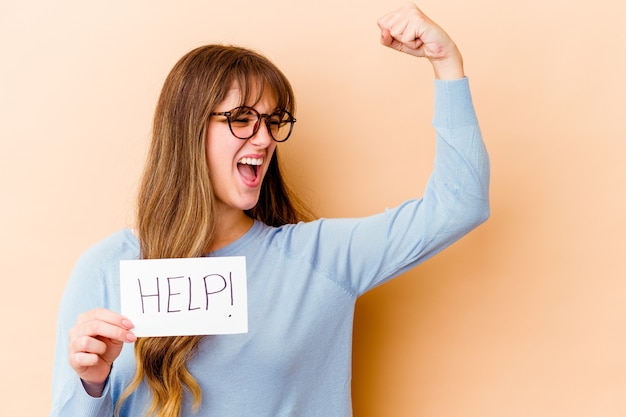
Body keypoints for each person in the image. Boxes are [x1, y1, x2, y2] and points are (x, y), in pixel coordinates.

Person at [49, 3, 490, 417]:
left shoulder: (320, 258)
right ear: (188, 131)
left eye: (273, 120)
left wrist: (447, 63)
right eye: (242, 118)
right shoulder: (106, 268)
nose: (264, 139)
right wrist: (92, 383)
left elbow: (459, 204)